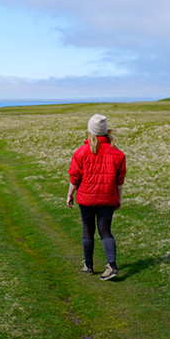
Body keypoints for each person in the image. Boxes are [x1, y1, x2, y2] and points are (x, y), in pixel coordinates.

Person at [66, 114, 126, 281]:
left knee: (88, 231)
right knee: (105, 231)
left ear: (90, 131)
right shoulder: (118, 154)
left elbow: (75, 176)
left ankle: (89, 265)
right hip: (108, 198)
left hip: (86, 198)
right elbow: (119, 180)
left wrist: (70, 193)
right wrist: (119, 198)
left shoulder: (81, 151)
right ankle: (111, 266)